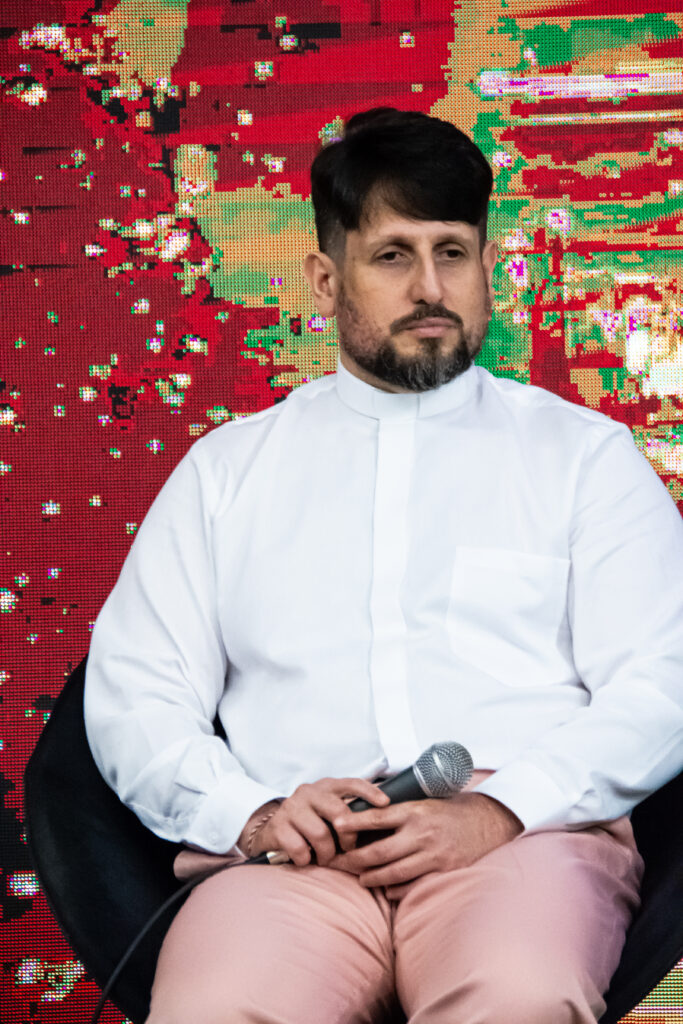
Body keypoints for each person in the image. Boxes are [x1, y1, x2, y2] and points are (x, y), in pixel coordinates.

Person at [84, 108, 683, 1024]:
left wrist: (500, 810)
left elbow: (663, 678)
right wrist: (251, 812)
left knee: (517, 996)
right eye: (393, 255)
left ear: (488, 266)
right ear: (325, 278)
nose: (430, 287)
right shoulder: (226, 473)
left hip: (519, 840)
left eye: (453, 253)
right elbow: (137, 692)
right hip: (295, 856)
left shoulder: (583, 459)